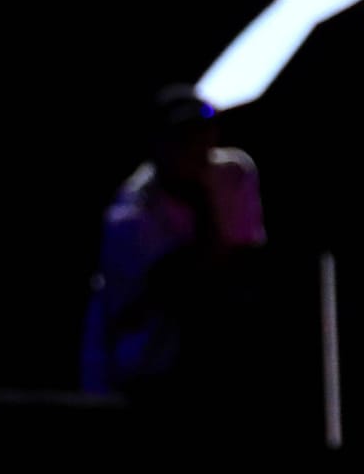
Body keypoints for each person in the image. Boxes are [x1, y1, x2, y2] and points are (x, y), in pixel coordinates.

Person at [81, 82, 268, 405]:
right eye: (183, 135)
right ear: (157, 143)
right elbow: (185, 285)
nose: (196, 145)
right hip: (141, 367)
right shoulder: (130, 215)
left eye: (202, 131)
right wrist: (205, 206)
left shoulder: (235, 173)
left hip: (219, 359)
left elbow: (242, 262)